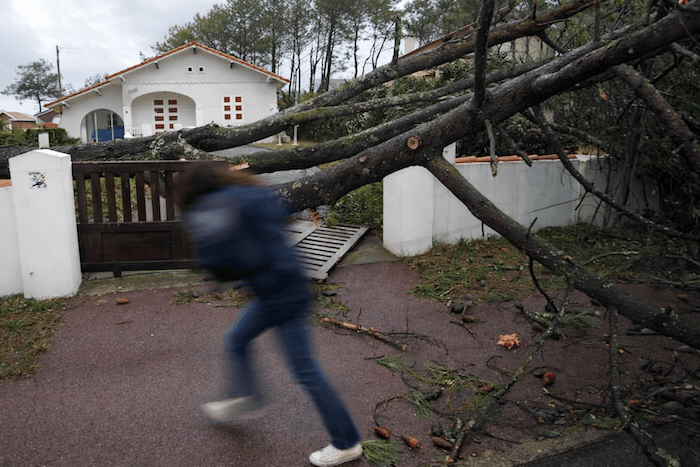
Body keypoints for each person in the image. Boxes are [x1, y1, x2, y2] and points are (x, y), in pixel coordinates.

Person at [180, 162, 362, 467]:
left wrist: (228, 272)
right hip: (281, 287)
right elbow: (265, 235)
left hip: (282, 294)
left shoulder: (219, 205)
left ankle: (347, 442)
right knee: (236, 339)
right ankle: (247, 396)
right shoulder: (247, 193)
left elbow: (222, 258)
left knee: (306, 372)